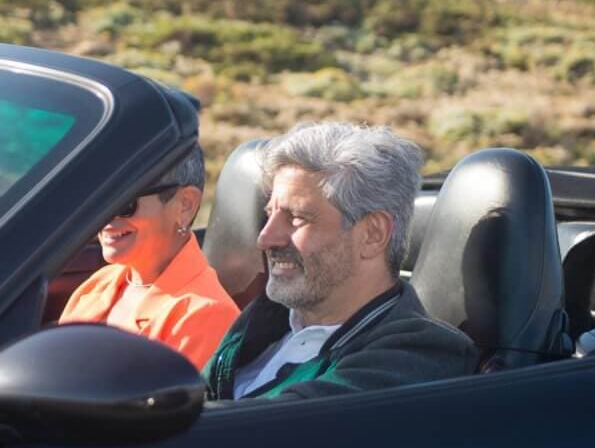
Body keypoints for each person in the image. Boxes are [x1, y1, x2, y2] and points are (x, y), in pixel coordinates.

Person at [204, 122, 477, 400]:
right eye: (269, 215)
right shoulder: (270, 315)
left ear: (372, 234)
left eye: (297, 218)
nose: (265, 238)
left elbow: (266, 431)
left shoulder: (418, 355)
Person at [60, 145, 239, 370]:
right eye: (99, 199)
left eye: (125, 202)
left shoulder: (208, 315)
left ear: (185, 205)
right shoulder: (99, 284)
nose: (105, 216)